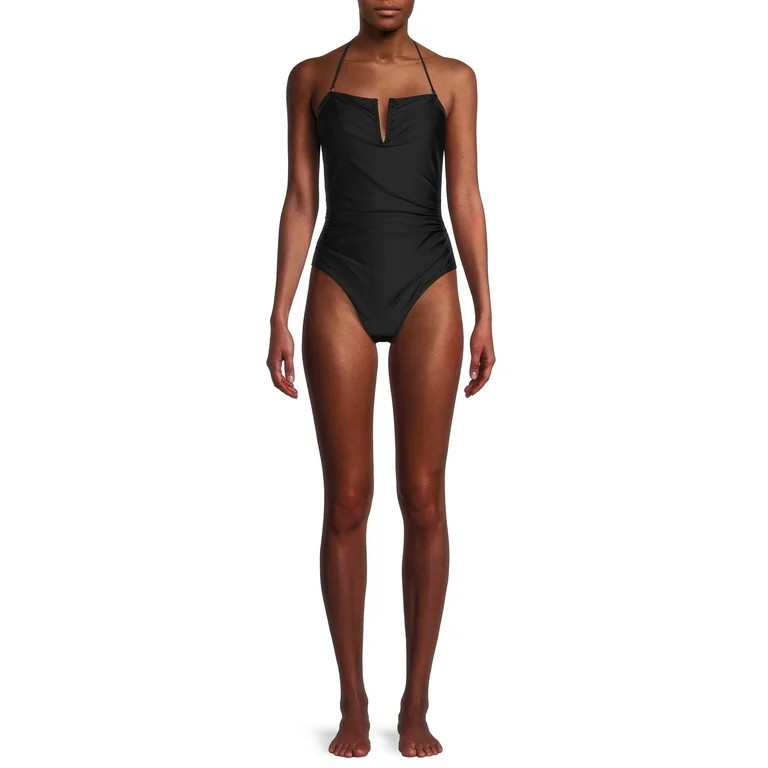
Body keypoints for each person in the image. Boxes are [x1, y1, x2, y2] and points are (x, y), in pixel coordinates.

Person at [267, 0, 495, 758]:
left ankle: (417, 701)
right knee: (346, 502)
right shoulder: (311, 77)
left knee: (423, 497)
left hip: (429, 282)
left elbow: (465, 197)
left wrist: (485, 310)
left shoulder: (455, 79)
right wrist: (279, 311)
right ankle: (353, 700)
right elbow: (302, 199)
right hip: (340, 281)